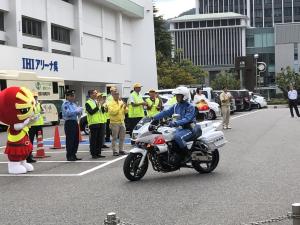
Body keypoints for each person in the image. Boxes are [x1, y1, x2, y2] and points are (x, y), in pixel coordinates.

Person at [151, 87, 201, 161]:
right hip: (179, 128)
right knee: (166, 135)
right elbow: (166, 112)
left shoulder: (190, 106)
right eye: (176, 96)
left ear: (185, 96)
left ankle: (187, 155)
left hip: (189, 128)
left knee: (177, 137)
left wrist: (175, 123)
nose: (177, 97)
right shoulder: (176, 106)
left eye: (179, 96)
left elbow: (187, 119)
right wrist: (153, 117)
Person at [61, 90, 83, 161]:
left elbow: (76, 113)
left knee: (76, 139)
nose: (73, 97)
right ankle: (69, 155)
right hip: (69, 122)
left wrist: (79, 112)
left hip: (74, 122)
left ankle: (74, 154)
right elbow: (67, 113)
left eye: (73, 96)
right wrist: (76, 111)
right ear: (67, 96)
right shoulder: (65, 104)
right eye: (71, 96)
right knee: (70, 140)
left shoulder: (74, 104)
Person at [85, 90, 105, 159]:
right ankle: (93, 154)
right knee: (94, 139)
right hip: (93, 123)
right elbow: (91, 112)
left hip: (100, 122)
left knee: (99, 139)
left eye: (96, 93)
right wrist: (98, 106)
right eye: (95, 93)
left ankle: (98, 153)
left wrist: (102, 105)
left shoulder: (96, 101)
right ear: (91, 94)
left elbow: (102, 111)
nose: (96, 94)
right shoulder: (88, 103)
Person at [107, 90, 128, 156]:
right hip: (114, 122)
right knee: (114, 137)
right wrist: (120, 107)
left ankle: (121, 150)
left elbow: (126, 111)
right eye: (115, 94)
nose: (117, 96)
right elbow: (112, 112)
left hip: (122, 122)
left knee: (122, 137)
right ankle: (114, 151)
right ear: (113, 95)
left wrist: (125, 108)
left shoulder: (120, 102)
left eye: (118, 94)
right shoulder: (110, 103)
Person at [26, 92, 45, 163]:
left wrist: (42, 111)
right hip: (32, 125)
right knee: (30, 141)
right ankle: (29, 155)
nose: (35, 98)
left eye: (36, 97)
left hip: (39, 125)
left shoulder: (39, 104)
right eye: (34, 97)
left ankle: (40, 152)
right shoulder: (29, 105)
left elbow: (43, 111)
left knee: (40, 140)